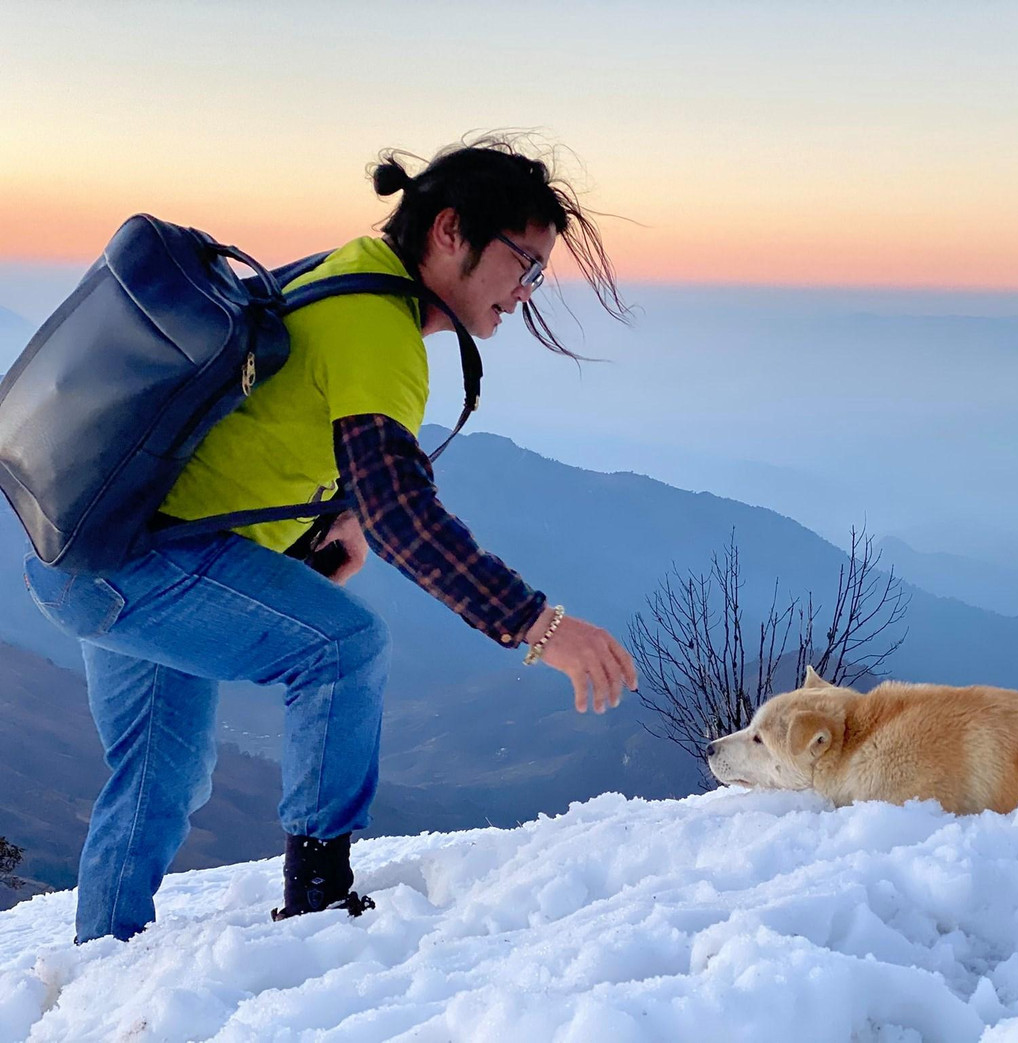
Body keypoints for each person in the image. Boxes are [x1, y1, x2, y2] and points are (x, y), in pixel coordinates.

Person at [21, 137, 639, 943]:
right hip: (142, 563)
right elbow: (405, 516)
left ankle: (101, 961)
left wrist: (335, 511)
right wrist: (541, 626)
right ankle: (318, 899)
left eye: (538, 274)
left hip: (85, 547)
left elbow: (299, 414)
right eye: (524, 265)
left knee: (156, 774)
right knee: (343, 648)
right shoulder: (380, 331)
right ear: (451, 231)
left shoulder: (344, 270)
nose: (526, 294)